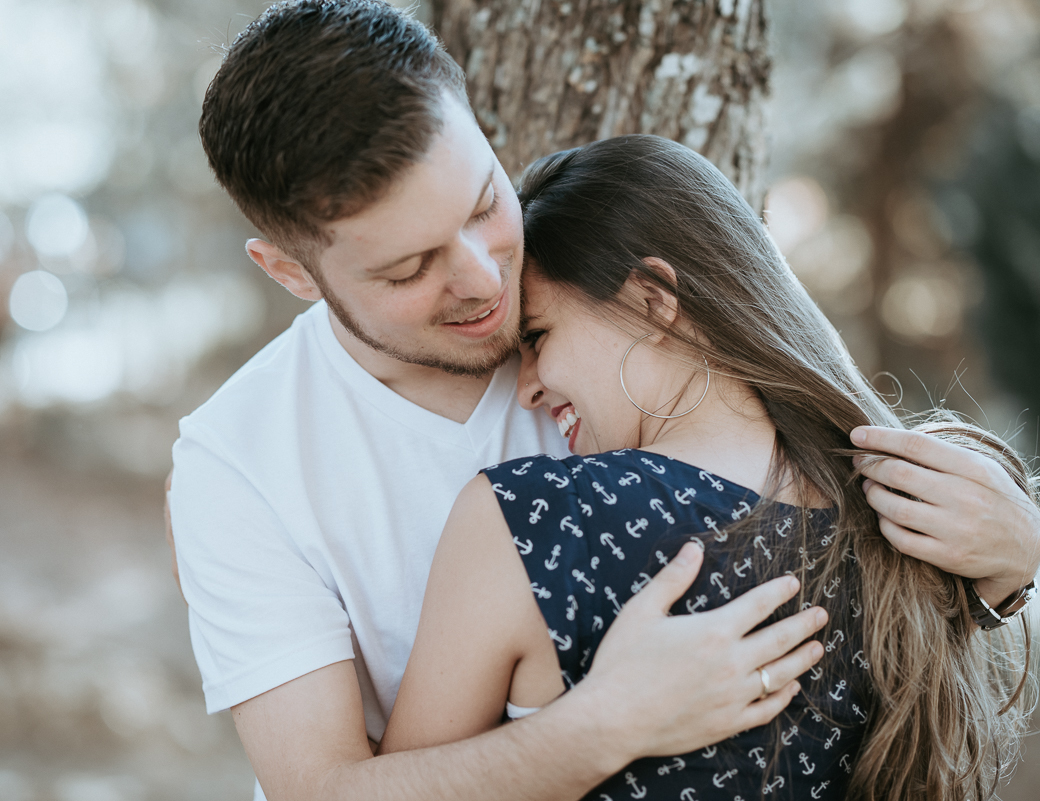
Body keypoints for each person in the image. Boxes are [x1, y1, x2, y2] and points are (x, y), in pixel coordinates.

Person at [167, 2, 1040, 800]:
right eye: (409, 268)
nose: (482, 279)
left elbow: (856, 548)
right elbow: (317, 790)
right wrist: (606, 724)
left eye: (482, 205)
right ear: (292, 274)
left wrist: (1017, 561)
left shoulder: (616, 316)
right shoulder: (243, 461)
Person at [377, 135, 1038, 800]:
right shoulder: (914, 521)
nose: (527, 389)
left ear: (653, 300)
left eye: (539, 337)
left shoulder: (536, 522)